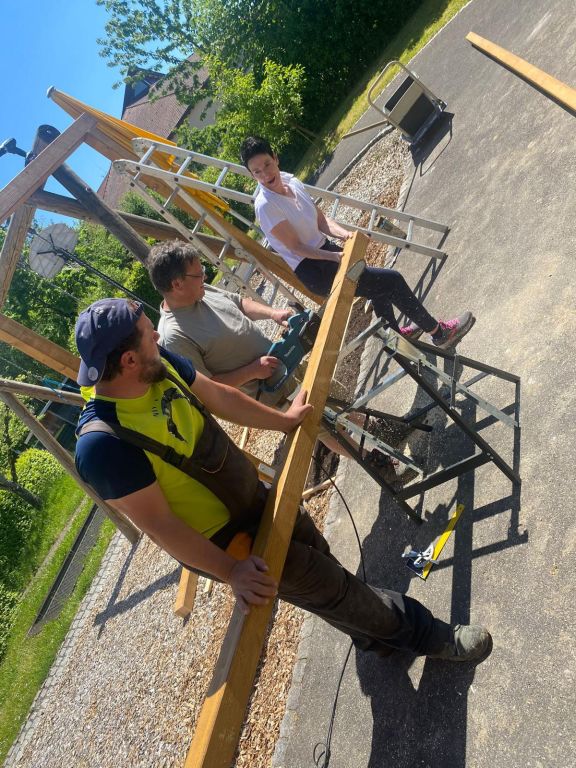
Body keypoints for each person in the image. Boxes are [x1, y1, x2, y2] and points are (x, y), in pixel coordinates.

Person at [73, 297, 492, 663]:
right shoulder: (104, 445)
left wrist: (285, 420)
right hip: (228, 542)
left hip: (251, 492)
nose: (157, 337)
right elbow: (162, 526)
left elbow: (219, 396)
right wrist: (231, 571)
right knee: (329, 585)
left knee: (319, 558)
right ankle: (432, 636)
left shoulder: (157, 365)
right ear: (128, 361)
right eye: (149, 335)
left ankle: (376, 639)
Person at [240, 135, 475, 348]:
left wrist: (346, 235)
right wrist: (334, 256)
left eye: (267, 164)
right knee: (391, 281)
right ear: (252, 175)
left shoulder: (291, 181)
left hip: (325, 252)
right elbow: (296, 248)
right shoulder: (266, 206)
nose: (265, 174)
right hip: (314, 269)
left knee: (378, 287)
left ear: (275, 158)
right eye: (257, 172)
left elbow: (320, 220)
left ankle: (396, 340)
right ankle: (439, 333)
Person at [149, 239, 296, 408]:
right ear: (177, 284)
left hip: (284, 368)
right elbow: (207, 388)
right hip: (270, 398)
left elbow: (239, 303)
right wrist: (252, 371)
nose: (204, 277)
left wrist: (272, 313)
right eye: (199, 274)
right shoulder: (173, 337)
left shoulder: (201, 290)